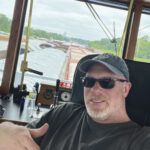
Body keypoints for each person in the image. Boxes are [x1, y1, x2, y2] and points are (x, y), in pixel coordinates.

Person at [0, 53, 150, 150]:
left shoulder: (140, 140)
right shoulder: (63, 114)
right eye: (89, 81)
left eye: (107, 82)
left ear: (125, 89)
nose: (95, 90)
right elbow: (19, 138)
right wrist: (6, 130)